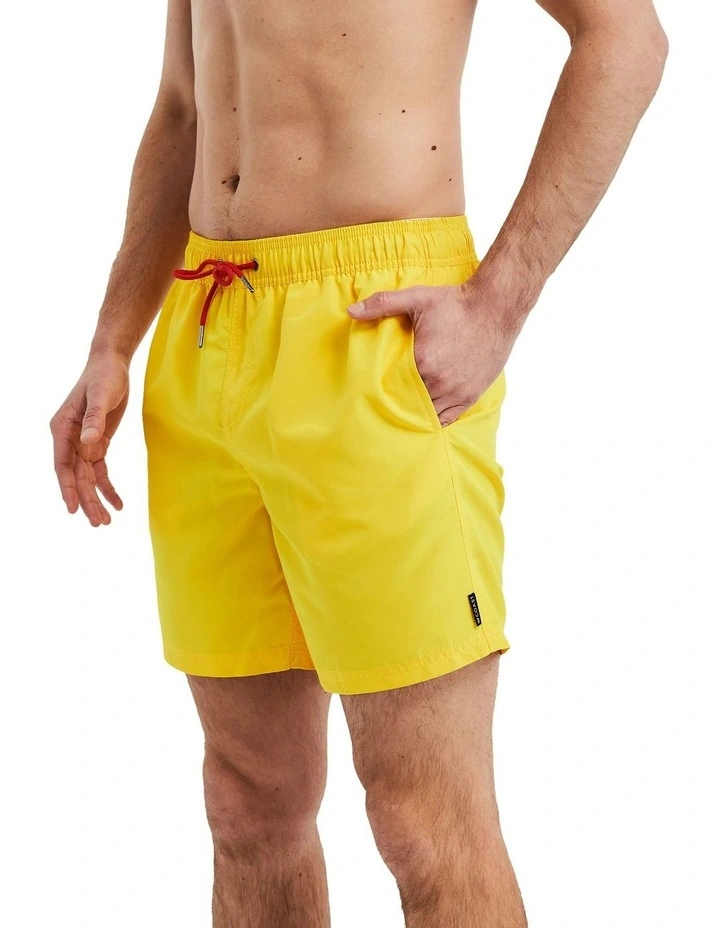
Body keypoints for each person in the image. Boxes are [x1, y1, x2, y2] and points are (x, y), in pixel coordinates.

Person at [49, 1, 668, 924]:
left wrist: (499, 302)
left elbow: (627, 38)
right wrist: (111, 342)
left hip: (373, 327)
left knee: (424, 822)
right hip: (209, 318)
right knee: (246, 804)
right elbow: (183, 106)